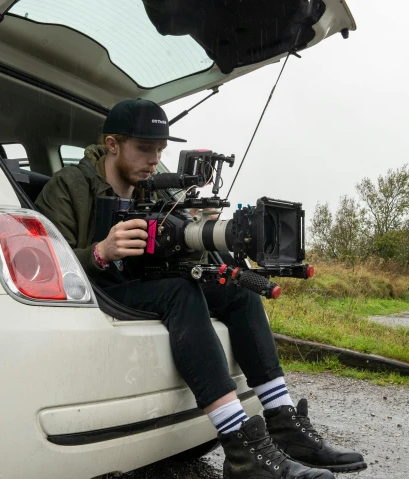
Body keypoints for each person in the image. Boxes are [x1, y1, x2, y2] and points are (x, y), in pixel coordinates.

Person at [35, 98, 366, 478]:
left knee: (237, 288)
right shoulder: (69, 187)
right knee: (179, 292)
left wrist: (200, 236)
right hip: (102, 290)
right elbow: (46, 260)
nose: (154, 159)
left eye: (161, 150)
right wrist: (101, 251)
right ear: (112, 145)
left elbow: (178, 253)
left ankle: (283, 422)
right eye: (144, 149)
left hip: (147, 282)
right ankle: (243, 451)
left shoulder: (156, 190)